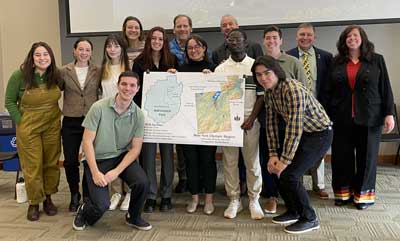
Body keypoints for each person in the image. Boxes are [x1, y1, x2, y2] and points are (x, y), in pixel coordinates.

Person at [252, 55, 333, 234]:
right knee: (278, 172)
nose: (263, 78)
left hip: (319, 134)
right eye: (258, 75)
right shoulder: (269, 92)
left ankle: (310, 218)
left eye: (267, 73)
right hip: (304, 134)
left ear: (277, 71)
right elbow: (271, 124)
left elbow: (294, 128)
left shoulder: (292, 89)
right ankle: (294, 211)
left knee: (290, 175)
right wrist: (273, 155)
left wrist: (284, 160)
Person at [323, 25, 394, 210]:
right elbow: (327, 91)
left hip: (371, 117)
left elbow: (385, 88)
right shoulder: (336, 62)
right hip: (341, 117)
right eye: (348, 36)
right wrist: (325, 115)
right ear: (343, 40)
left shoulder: (377, 60)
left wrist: (389, 114)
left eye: (355, 35)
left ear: (362, 38)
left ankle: (363, 196)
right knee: (341, 157)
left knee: (367, 158)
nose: (351, 38)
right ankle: (342, 194)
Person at [72, 71, 151, 231]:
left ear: (137, 89)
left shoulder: (139, 115)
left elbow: (135, 149)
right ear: (117, 86)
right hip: (97, 158)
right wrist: (95, 172)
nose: (127, 88)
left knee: (142, 183)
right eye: (124, 84)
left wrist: (116, 172)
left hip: (120, 156)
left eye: (132, 85)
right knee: (102, 205)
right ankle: (83, 211)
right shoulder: (98, 107)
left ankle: (133, 217)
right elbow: (87, 142)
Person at [5, 42, 61, 221]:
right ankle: (34, 202)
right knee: (32, 165)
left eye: (46, 54)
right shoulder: (19, 75)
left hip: (52, 125)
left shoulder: (56, 75)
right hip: (29, 127)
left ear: (51, 57)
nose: (42, 58)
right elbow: (9, 102)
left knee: (51, 163)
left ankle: (49, 198)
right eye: (38, 55)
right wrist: (20, 121)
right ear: (32, 57)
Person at [215, 29, 264, 220]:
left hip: (250, 121)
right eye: (231, 39)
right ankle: (234, 199)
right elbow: (216, 99)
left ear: (246, 43)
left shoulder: (255, 65)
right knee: (230, 162)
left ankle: (254, 199)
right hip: (228, 123)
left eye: (239, 39)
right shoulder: (220, 70)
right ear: (227, 43)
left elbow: (261, 96)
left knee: (252, 163)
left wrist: (251, 118)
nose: (235, 42)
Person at [260, 25, 308, 214]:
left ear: (281, 40)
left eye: (274, 37)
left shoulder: (293, 62)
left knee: (292, 161)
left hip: (292, 122)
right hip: (269, 120)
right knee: (270, 159)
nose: (271, 41)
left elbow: (305, 91)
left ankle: (294, 200)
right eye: (267, 38)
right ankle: (272, 197)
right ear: (264, 41)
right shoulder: (260, 63)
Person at [132, 26, 178, 213]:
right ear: (149, 41)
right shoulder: (139, 62)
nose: (157, 42)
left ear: (164, 42)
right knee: (148, 157)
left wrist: (176, 77)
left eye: (161, 39)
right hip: (148, 117)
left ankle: (166, 195)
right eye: (154, 39)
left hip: (168, 117)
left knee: (168, 156)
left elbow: (179, 87)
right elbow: (134, 91)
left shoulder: (172, 60)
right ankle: (150, 196)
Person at [287, 23, 332, 200]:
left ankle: (318, 184)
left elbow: (329, 85)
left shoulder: (326, 57)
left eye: (308, 35)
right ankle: (295, 183)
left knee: (318, 149)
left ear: (314, 37)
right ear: (296, 37)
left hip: (318, 110)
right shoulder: (287, 56)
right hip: (296, 109)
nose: (305, 38)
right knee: (296, 147)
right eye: (301, 34)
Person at [59, 38, 101, 212]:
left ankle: (87, 194)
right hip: (71, 120)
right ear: (74, 51)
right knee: (70, 161)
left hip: (91, 120)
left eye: (88, 50)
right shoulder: (63, 71)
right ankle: (74, 194)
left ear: (91, 52)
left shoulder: (98, 70)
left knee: (89, 160)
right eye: (81, 49)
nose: (84, 53)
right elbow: (55, 90)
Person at [177, 35, 217, 215]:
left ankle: (209, 199)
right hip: (187, 124)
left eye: (197, 47)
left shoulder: (214, 68)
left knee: (208, 161)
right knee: (190, 161)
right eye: (190, 48)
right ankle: (194, 198)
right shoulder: (181, 69)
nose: (193, 50)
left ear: (204, 48)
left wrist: (213, 79)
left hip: (208, 124)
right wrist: (171, 77)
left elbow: (221, 97)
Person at [100, 34, 131, 211]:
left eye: (116, 46)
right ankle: (116, 192)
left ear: (122, 48)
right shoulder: (101, 69)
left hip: (125, 115)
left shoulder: (129, 66)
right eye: (109, 46)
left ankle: (128, 192)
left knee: (125, 155)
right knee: (111, 155)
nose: (113, 49)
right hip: (107, 116)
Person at [121, 16, 145, 210]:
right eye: (129, 27)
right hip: (120, 101)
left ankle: (132, 191)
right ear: (124, 29)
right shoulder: (118, 48)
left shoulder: (146, 48)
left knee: (135, 150)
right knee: (118, 147)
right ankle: (117, 192)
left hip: (137, 103)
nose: (133, 30)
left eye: (136, 27)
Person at [169, 14, 192, 193]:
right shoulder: (167, 49)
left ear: (190, 28)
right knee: (180, 143)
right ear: (174, 29)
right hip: (176, 100)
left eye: (185, 26)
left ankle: (196, 177)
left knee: (197, 142)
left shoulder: (200, 46)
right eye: (179, 26)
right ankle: (183, 177)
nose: (182, 29)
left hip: (194, 101)